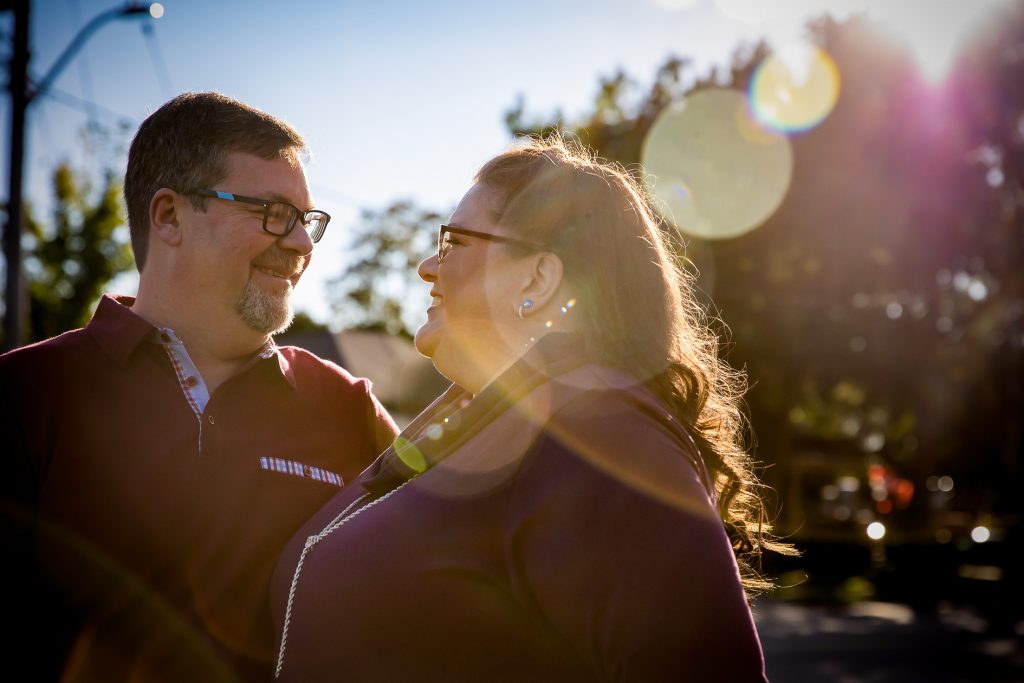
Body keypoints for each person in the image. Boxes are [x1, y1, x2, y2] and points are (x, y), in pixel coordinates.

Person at [270, 135, 789, 681]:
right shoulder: (468, 427)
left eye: (452, 243)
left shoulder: (602, 436)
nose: (426, 266)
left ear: (537, 279)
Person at [0, 92, 399, 682]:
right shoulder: (25, 394)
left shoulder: (346, 406)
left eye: (307, 221)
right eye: (274, 213)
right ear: (169, 217)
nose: (302, 244)